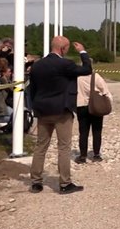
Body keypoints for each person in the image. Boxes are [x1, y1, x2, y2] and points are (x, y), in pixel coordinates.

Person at [28, 36, 91, 194]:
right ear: (63, 48)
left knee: (41, 146)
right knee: (63, 147)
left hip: (43, 110)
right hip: (61, 110)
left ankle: (36, 182)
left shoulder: (37, 65)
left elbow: (32, 89)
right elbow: (87, 69)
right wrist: (82, 52)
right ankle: (64, 183)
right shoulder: (65, 64)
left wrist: (36, 107)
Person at [75, 73, 112, 163]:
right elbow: (105, 90)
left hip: (81, 106)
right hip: (95, 106)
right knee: (97, 131)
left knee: (83, 132)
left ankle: (83, 156)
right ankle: (96, 155)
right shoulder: (96, 77)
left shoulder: (77, 77)